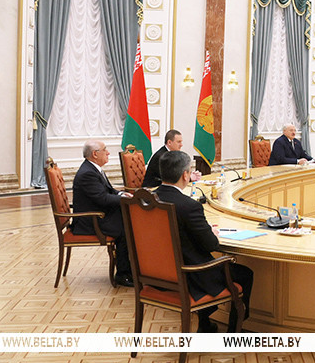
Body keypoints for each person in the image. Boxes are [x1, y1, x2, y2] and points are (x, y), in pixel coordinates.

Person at [154, 150, 254, 332]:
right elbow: (211, 245)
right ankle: (234, 333)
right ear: (185, 175)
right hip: (190, 275)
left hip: (155, 275)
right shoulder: (189, 206)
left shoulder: (148, 201)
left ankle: (205, 325)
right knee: (244, 274)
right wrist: (212, 233)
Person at [72, 140, 134, 287]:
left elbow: (108, 191)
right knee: (126, 228)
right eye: (105, 150)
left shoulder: (93, 168)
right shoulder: (88, 173)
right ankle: (123, 274)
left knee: (130, 221)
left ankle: (132, 269)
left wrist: (121, 194)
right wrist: (124, 200)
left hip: (99, 214)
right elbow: (103, 198)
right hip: (90, 221)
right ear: (95, 154)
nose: (108, 153)